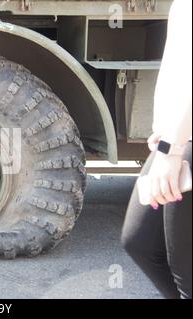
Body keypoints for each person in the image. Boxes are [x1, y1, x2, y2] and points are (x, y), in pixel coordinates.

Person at [121, 0, 192, 299]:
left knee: (186, 271)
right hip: (175, 135)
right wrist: (162, 127)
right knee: (139, 242)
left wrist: (173, 149)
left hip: (183, 142)